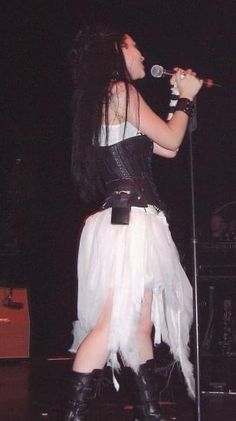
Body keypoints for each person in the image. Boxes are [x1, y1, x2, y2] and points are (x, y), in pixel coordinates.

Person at [65, 24, 203, 421]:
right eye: (134, 47)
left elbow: (166, 147)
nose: (142, 54)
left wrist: (181, 97)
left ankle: (150, 414)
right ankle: (72, 414)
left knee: (139, 326)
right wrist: (187, 100)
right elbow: (174, 140)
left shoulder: (108, 97)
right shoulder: (119, 91)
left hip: (129, 221)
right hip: (128, 225)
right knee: (111, 324)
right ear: (116, 52)